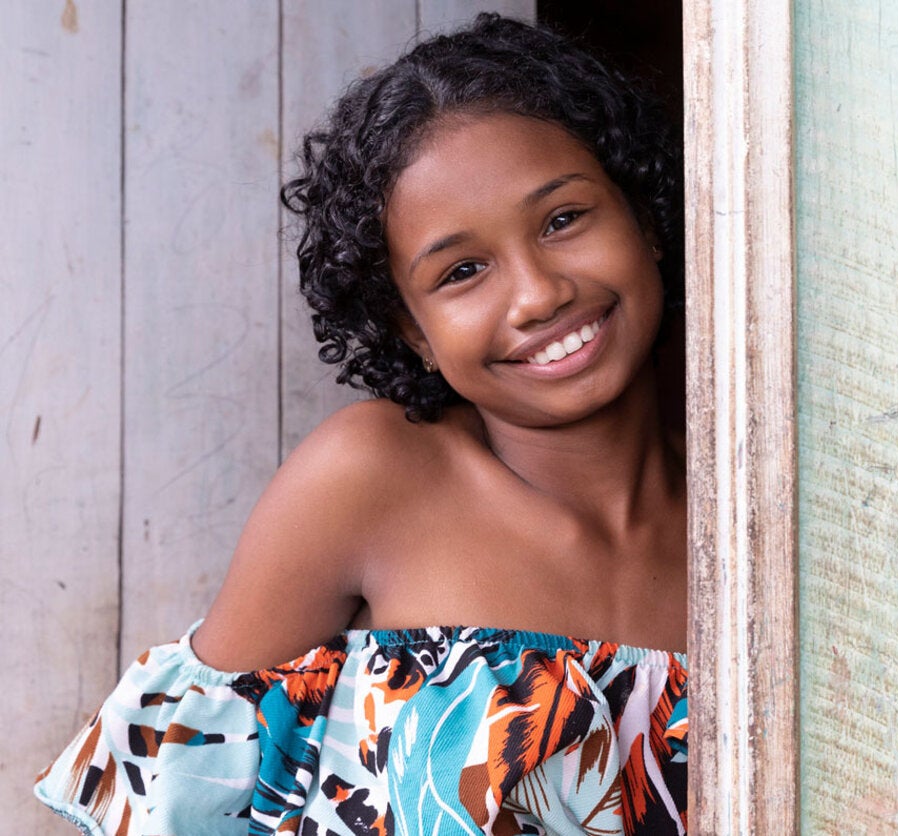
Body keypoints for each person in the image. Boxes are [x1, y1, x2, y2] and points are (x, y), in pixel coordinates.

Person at [35, 14, 688, 835]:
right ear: (411, 328)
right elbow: (180, 804)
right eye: (462, 271)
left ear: (644, 218)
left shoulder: (753, 528)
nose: (538, 294)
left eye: (563, 220)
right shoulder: (372, 477)